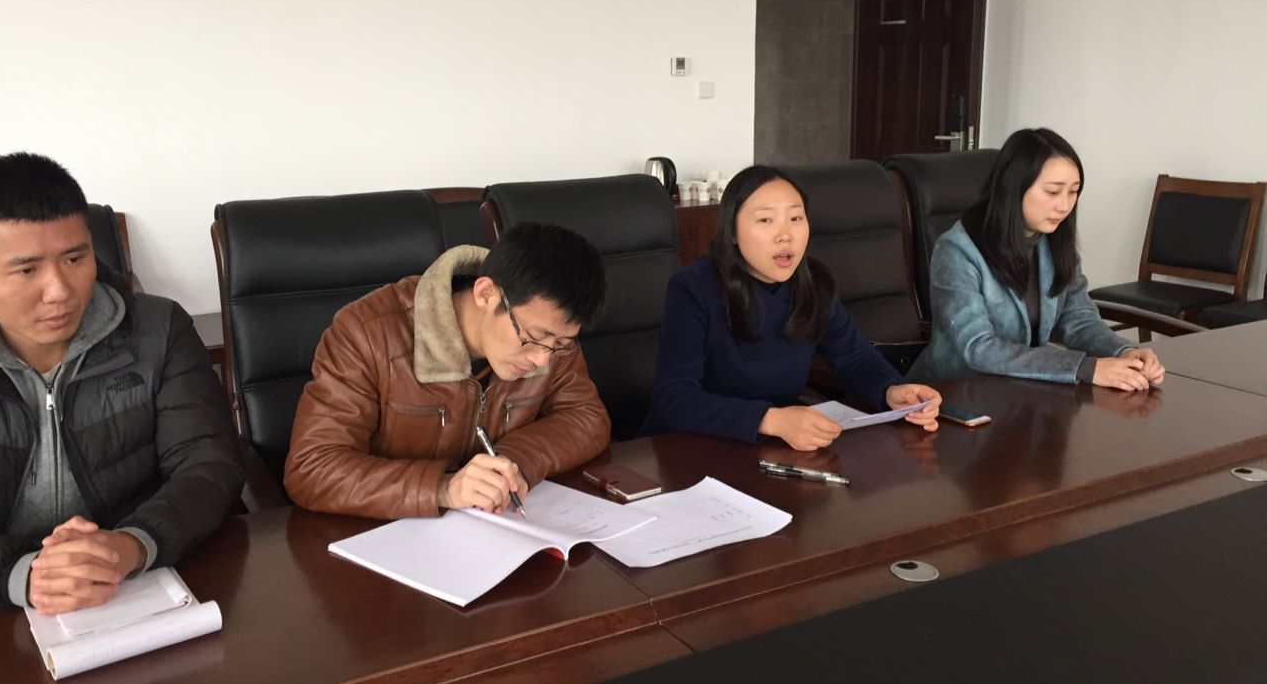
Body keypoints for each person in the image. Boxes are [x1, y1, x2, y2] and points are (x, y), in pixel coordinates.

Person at [0, 153, 243, 614]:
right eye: (27, 270)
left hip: (141, 585)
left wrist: (135, 543)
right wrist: (24, 575)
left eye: (75, 258)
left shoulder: (158, 329)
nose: (60, 290)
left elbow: (207, 464)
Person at [285, 222, 610, 519]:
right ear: (485, 294)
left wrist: (513, 460)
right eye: (533, 338)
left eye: (560, 344)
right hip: (379, 535)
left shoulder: (551, 340)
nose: (542, 360)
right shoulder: (367, 334)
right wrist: (442, 488)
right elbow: (312, 467)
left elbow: (586, 417)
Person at [640, 166, 941, 451]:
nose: (785, 235)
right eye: (765, 220)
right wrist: (769, 420)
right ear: (732, 232)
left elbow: (854, 357)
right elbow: (674, 400)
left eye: (796, 218)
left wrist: (891, 390)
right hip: (691, 450)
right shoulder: (693, 288)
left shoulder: (813, 282)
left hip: (775, 448)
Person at [908, 127, 1165, 390]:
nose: (1064, 206)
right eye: (1053, 192)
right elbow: (978, 348)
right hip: (953, 393)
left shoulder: (1053, 241)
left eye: (1073, 192)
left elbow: (1078, 319)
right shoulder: (957, 250)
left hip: (1022, 391)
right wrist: (1084, 368)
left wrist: (1123, 351)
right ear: (1013, 188)